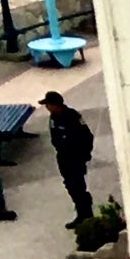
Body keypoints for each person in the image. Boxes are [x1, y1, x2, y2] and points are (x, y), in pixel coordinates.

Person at [41, 90, 94, 225]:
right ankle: (81, 212)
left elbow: (87, 136)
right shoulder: (53, 117)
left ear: (55, 104)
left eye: (48, 104)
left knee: (78, 186)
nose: (46, 107)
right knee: (70, 185)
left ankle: (86, 214)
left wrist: (85, 154)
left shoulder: (72, 116)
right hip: (63, 157)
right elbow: (55, 137)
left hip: (76, 157)